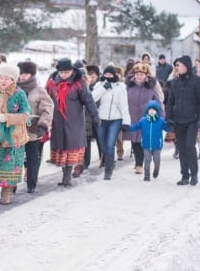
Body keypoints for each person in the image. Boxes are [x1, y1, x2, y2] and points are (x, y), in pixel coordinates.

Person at [46, 57, 99, 187]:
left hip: (73, 121)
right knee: (61, 147)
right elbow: (46, 100)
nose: (64, 75)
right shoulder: (52, 83)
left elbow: (88, 100)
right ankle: (65, 174)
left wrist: (95, 116)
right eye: (62, 72)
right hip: (57, 121)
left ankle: (67, 177)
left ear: (71, 71)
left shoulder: (78, 83)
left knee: (70, 147)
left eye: (67, 72)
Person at [0, 63, 30, 204]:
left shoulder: (19, 94)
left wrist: (7, 118)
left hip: (13, 136)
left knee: (9, 165)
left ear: (14, 80)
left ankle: (6, 193)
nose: (3, 81)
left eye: (7, 78)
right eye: (1, 78)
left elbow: (25, 115)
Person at [165, 55, 200, 186]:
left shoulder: (198, 81)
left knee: (189, 146)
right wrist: (169, 118)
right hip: (179, 120)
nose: (177, 68)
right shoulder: (175, 82)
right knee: (182, 148)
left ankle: (194, 174)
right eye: (176, 66)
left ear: (187, 66)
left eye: (179, 65)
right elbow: (170, 101)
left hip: (193, 120)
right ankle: (184, 175)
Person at [17, 61, 53, 193]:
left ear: (32, 74)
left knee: (32, 158)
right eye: (20, 73)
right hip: (16, 130)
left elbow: (47, 108)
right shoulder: (14, 88)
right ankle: (12, 185)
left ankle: (31, 184)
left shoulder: (39, 90)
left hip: (32, 129)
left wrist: (43, 125)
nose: (22, 76)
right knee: (16, 159)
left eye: (25, 74)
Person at [91, 65, 130, 180]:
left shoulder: (120, 87)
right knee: (103, 146)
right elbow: (92, 99)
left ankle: (108, 171)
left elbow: (124, 105)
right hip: (101, 118)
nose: (108, 76)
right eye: (106, 74)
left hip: (116, 119)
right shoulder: (99, 85)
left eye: (110, 74)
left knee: (110, 145)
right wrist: (104, 88)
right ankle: (109, 161)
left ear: (114, 75)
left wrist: (126, 121)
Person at [122, 62, 161, 174]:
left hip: (146, 118)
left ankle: (140, 163)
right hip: (132, 117)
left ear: (146, 76)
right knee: (134, 140)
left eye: (142, 74)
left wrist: (160, 116)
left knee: (142, 141)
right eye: (137, 74)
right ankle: (138, 162)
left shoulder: (150, 87)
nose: (139, 76)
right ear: (134, 75)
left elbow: (157, 102)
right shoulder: (128, 86)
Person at [129, 100, 169, 181]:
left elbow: (167, 128)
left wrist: (171, 125)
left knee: (157, 160)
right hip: (146, 145)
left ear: (157, 111)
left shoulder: (160, 121)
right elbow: (135, 127)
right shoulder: (143, 120)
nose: (152, 111)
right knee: (147, 160)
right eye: (150, 109)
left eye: (154, 110)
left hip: (157, 145)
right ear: (147, 110)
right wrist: (127, 127)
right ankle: (146, 176)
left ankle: (156, 171)